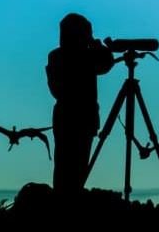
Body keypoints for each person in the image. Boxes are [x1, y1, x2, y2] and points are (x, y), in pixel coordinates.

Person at [46, 13, 114, 197]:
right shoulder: (86, 57)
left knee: (63, 171)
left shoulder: (56, 56)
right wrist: (98, 46)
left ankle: (64, 203)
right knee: (75, 171)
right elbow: (107, 64)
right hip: (83, 120)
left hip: (66, 119)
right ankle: (70, 204)